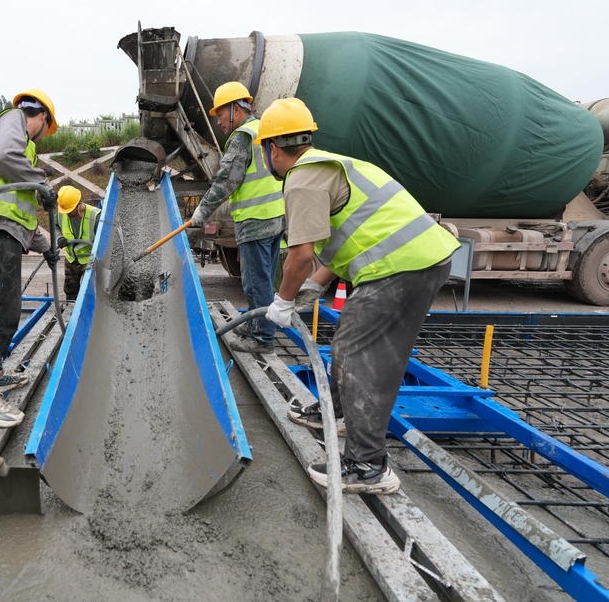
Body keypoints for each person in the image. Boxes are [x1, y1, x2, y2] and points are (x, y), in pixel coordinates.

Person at [257, 97, 459, 495]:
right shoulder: (332, 165)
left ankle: (368, 465)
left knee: (357, 352)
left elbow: (299, 255)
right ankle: (336, 412)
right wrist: (317, 284)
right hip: (417, 259)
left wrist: (282, 300)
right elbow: (350, 234)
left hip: (401, 265)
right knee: (354, 343)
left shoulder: (301, 178)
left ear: (272, 149)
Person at [0, 89, 59, 427]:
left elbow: (19, 217)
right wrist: (42, 182)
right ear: (42, 118)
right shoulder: (13, 120)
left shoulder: (23, 148)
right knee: (5, 310)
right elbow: (4, 158)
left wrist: (49, 244)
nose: (42, 137)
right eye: (46, 130)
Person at [189, 81, 285, 354]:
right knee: (264, 278)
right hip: (275, 217)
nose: (218, 121)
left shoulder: (243, 136)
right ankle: (256, 325)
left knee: (256, 282)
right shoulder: (262, 130)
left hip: (256, 221)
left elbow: (226, 181)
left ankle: (262, 338)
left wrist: (202, 211)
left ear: (235, 109)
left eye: (220, 113)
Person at [55, 184, 100, 300]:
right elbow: (55, 225)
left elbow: (103, 240)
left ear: (78, 203)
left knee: (88, 292)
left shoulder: (95, 216)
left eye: (70, 211)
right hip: (71, 259)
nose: (67, 214)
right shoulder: (62, 212)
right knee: (70, 291)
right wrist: (59, 237)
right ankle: (71, 312)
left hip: (89, 260)